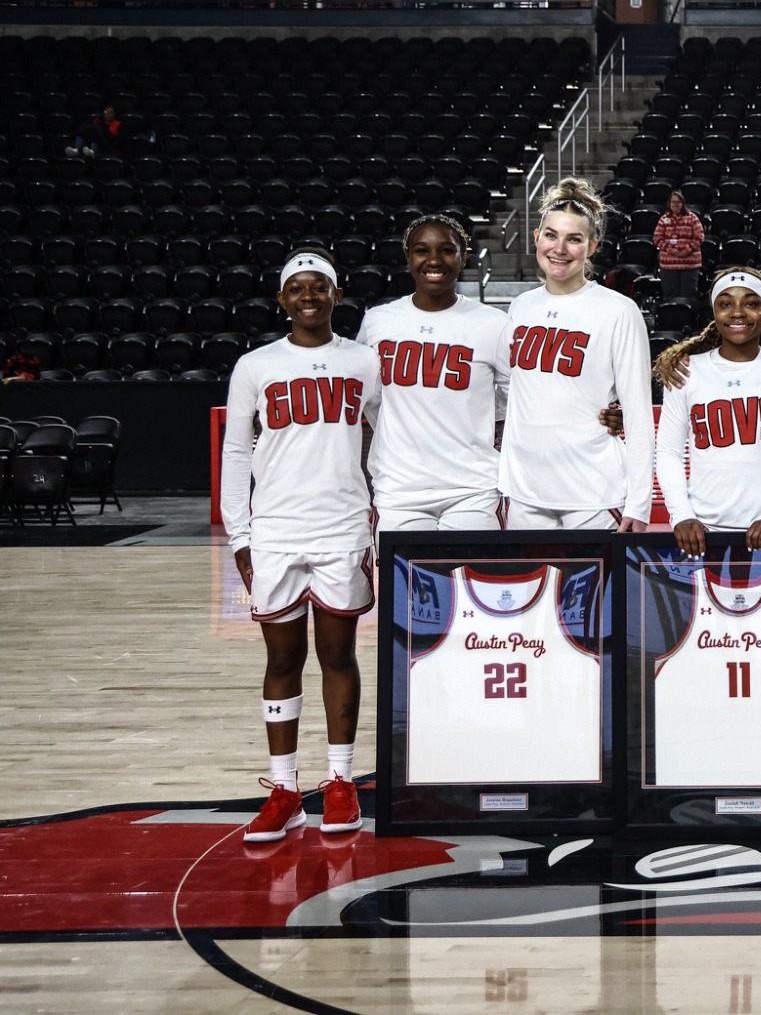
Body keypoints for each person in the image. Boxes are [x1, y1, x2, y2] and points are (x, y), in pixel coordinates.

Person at [220, 249, 381, 843]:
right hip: (276, 529)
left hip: (342, 526)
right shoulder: (255, 365)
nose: (308, 297)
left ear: (336, 295)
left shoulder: (364, 361)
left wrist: (379, 519)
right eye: (297, 288)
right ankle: (284, 791)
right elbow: (235, 451)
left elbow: (387, 440)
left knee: (338, 656)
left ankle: (340, 782)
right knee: (282, 660)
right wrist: (239, 534)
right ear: (282, 299)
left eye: (320, 287)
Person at [498, 177, 655, 531]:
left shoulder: (618, 310)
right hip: (524, 490)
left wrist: (640, 503)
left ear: (592, 246)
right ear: (536, 238)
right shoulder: (520, 306)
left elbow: (638, 413)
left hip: (594, 493)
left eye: (574, 239)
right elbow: (509, 390)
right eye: (551, 235)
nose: (560, 248)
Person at [358, 214, 512, 531]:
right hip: (399, 489)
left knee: (470, 567)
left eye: (447, 250)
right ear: (408, 257)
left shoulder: (494, 323)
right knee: (402, 567)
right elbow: (370, 397)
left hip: (473, 489)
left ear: (463, 256)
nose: (434, 260)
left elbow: (515, 397)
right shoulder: (378, 321)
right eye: (421, 250)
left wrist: (476, 413)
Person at [654, 267, 761, 556]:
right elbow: (668, 452)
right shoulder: (687, 371)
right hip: (704, 533)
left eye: (751, 303)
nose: (738, 312)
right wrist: (681, 515)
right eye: (726, 303)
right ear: (714, 311)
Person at [652, 190, 705, 301]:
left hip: (689, 264)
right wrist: (671, 250)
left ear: (683, 203)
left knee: (688, 297)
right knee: (670, 298)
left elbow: (699, 236)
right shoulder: (663, 219)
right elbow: (657, 238)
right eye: (673, 202)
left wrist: (687, 250)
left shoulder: (692, 218)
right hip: (669, 264)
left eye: (678, 202)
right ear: (669, 203)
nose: (675, 205)